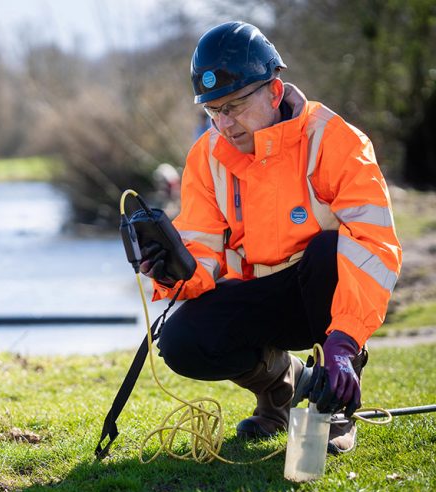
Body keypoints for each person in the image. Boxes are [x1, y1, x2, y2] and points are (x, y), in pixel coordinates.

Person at [138, 21, 402, 454]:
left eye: (236, 106)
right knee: (181, 342)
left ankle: (334, 406)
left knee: (329, 249)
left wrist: (345, 339)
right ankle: (282, 389)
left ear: (274, 92)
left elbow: (375, 246)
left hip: (326, 297)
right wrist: (173, 268)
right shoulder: (205, 157)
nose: (225, 123)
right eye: (213, 111)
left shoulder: (338, 141)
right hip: (259, 297)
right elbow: (202, 249)